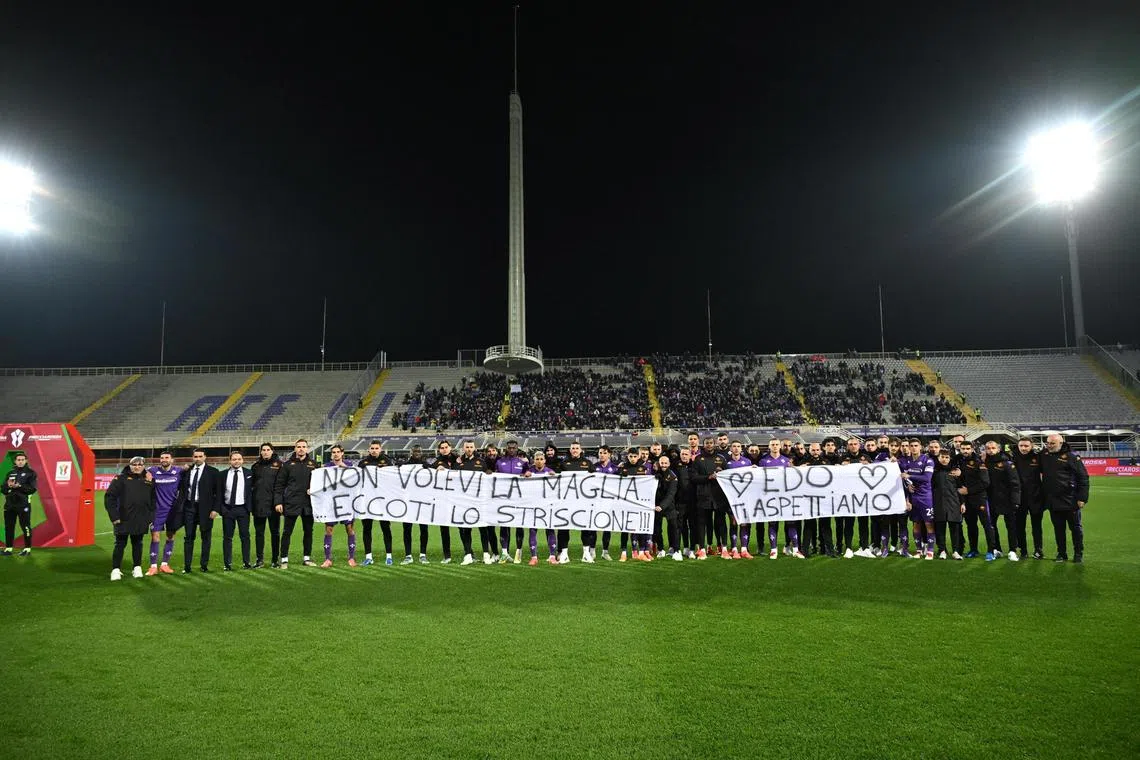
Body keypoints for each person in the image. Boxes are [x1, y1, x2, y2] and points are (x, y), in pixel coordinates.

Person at [1040, 434, 1089, 563]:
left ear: (1061, 443)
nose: (1049, 446)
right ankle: (1061, 553)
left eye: (1052, 443)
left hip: (1070, 500)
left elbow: (1083, 478)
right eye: (1048, 443)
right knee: (1058, 529)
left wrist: (1082, 498)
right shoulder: (1044, 455)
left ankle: (1078, 553)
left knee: (1076, 528)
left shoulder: (1072, 457)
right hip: (1053, 500)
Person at [104, 456, 155, 580]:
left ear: (143, 466)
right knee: (120, 544)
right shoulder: (120, 479)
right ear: (130, 465)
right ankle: (116, 570)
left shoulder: (149, 479)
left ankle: (137, 568)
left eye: (139, 464)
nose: (137, 467)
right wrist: (114, 516)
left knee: (138, 543)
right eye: (134, 464)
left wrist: (150, 517)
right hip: (122, 518)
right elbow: (109, 497)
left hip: (141, 518)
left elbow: (153, 500)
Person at [274, 439, 318, 568]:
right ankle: (284, 559)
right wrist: (278, 502)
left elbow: (320, 484)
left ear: (307, 448)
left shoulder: (314, 464)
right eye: (299, 446)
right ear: (295, 448)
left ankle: (307, 558)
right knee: (287, 532)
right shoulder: (287, 465)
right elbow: (279, 485)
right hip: (291, 503)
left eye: (303, 446)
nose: (301, 449)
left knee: (308, 531)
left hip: (308, 504)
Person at [455, 440, 501, 563]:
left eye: (471, 447)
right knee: (466, 528)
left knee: (483, 527)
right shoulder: (458, 462)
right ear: (463, 448)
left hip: (479, 500)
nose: (469, 449)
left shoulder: (481, 462)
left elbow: (488, 478)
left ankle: (486, 554)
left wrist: (489, 473)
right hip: (464, 501)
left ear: (474, 448)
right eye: (467, 447)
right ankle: (468, 555)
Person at [177, 448, 222, 573]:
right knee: (189, 537)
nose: (197, 459)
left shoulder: (213, 472)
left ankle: (204, 566)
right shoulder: (187, 471)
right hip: (189, 507)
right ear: (193, 457)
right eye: (195, 456)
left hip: (206, 509)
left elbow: (218, 493)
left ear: (205, 457)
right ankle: (187, 567)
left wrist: (215, 509)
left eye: (200, 456)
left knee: (206, 538)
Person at [357, 441, 398, 565]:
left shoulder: (387, 462)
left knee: (385, 528)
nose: (374, 450)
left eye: (376, 448)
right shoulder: (362, 463)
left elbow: (393, 480)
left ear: (381, 449)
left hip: (382, 500)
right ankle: (368, 557)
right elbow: (356, 480)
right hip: (367, 500)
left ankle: (389, 556)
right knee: (367, 528)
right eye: (372, 448)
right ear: (369, 450)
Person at [760, 439, 801, 559]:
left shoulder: (786, 461)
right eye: (772, 444)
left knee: (791, 522)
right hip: (771, 497)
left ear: (780, 446)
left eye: (777, 444)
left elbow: (793, 478)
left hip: (785, 496)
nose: (775, 446)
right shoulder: (763, 461)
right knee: (773, 523)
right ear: (769, 446)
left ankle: (796, 549)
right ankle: (774, 549)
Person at [957, 440, 997, 561]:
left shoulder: (980, 462)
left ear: (972, 449)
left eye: (967, 449)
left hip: (980, 499)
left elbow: (985, 482)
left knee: (987, 525)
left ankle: (991, 551)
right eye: (963, 449)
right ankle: (973, 549)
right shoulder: (958, 461)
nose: (965, 451)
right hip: (967, 500)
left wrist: (968, 490)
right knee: (971, 526)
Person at [983, 440, 1022, 561]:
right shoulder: (984, 463)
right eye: (988, 448)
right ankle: (997, 549)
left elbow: (1015, 484)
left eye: (993, 448)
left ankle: (1012, 551)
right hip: (990, 500)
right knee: (992, 526)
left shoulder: (1007, 463)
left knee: (1011, 526)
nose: (991, 450)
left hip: (1007, 500)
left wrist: (1016, 501)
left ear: (998, 449)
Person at [145, 451, 183, 574]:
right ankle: (153, 566)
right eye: (162, 458)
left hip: (172, 510)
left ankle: (165, 564)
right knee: (155, 536)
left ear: (172, 460)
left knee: (170, 536)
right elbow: (137, 471)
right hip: (157, 511)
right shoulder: (152, 471)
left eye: (167, 457)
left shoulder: (178, 471)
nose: (164, 459)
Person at [319, 445, 357, 568]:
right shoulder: (326, 467)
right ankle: (327, 559)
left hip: (346, 502)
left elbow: (356, 478)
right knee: (329, 530)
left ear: (342, 453)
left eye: (337, 452)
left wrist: (344, 468)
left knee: (349, 529)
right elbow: (319, 481)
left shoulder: (349, 465)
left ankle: (351, 558)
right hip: (331, 503)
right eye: (333, 452)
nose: (335, 454)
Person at [898, 438, 936, 560]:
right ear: (908, 447)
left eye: (916, 445)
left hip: (926, 497)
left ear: (920, 447)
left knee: (929, 523)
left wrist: (910, 476)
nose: (913, 447)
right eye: (911, 446)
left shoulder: (928, 460)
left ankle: (930, 551)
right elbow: (904, 480)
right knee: (916, 524)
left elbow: (927, 478)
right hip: (913, 497)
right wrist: (908, 487)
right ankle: (919, 550)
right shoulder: (906, 462)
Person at [1011, 437, 1046, 560]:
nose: (1023, 448)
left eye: (1026, 446)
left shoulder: (1038, 458)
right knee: (1020, 526)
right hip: (1019, 499)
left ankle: (1038, 550)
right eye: (1021, 446)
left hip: (1036, 498)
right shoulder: (1013, 458)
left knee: (1037, 526)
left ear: (1032, 446)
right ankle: (1023, 550)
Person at [559, 441, 595, 562]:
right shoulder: (563, 463)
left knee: (585, 527)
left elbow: (596, 480)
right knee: (564, 527)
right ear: (570, 450)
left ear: (581, 450)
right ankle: (564, 554)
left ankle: (586, 553)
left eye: (577, 448)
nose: (574, 450)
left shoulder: (588, 463)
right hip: (567, 501)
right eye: (573, 448)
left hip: (583, 501)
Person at [495, 440, 529, 563]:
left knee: (519, 525)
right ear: (506, 448)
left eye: (514, 448)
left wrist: (528, 474)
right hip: (503, 499)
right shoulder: (499, 462)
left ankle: (518, 552)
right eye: (509, 448)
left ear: (517, 448)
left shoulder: (523, 463)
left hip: (519, 499)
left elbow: (528, 476)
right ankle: (504, 553)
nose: (511, 450)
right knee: (504, 525)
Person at [690, 438, 724, 560]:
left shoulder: (721, 459)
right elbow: (693, 478)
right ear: (703, 445)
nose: (709, 445)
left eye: (711, 443)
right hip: (702, 496)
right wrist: (708, 477)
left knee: (720, 523)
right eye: (707, 443)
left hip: (718, 497)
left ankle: (722, 548)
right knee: (702, 524)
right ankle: (702, 549)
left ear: (714, 444)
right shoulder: (698, 459)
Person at [219, 451, 253, 571]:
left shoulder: (249, 473)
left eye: (239, 459)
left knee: (245, 536)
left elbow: (252, 492)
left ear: (243, 460)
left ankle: (247, 562)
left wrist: (249, 508)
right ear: (230, 461)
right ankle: (227, 564)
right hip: (228, 509)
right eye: (234, 459)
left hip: (243, 509)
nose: (236, 461)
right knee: (227, 538)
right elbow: (218, 493)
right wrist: (222, 509)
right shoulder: (222, 474)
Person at [523, 451, 559, 565]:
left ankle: (552, 556)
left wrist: (555, 477)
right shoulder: (529, 471)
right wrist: (525, 476)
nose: (539, 461)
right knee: (533, 531)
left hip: (547, 506)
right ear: (534, 460)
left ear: (545, 460)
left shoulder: (549, 472)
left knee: (550, 529)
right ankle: (534, 557)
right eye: (537, 459)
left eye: (541, 459)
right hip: (533, 506)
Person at [250, 443, 282, 568]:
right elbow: (251, 486)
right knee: (259, 533)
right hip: (259, 505)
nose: (265, 452)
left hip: (274, 506)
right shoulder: (256, 466)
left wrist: (279, 502)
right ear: (261, 452)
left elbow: (281, 485)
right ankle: (259, 560)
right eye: (263, 450)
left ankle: (275, 560)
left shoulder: (279, 465)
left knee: (275, 533)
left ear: (272, 451)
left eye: (268, 450)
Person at [618, 447, 652, 561]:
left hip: (639, 503)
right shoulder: (622, 468)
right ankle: (623, 552)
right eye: (630, 456)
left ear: (638, 456)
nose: (633, 459)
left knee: (639, 527)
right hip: (625, 503)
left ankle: (641, 551)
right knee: (624, 529)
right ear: (627, 456)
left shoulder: (643, 468)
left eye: (635, 456)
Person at [2, 452, 37, 556]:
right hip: (9, 505)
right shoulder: (10, 473)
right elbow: (3, 489)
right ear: (15, 461)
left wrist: (19, 486)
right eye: (18, 460)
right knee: (9, 527)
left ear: (26, 461)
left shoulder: (31, 473)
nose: (20, 461)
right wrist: (9, 487)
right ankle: (8, 548)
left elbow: (32, 489)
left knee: (25, 526)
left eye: (22, 459)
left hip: (23, 505)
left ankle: (27, 549)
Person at [932, 450, 965, 559]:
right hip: (938, 503)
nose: (944, 459)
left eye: (947, 457)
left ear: (950, 458)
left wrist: (962, 503)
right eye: (942, 457)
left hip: (954, 503)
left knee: (954, 528)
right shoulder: (934, 471)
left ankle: (955, 551)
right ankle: (942, 550)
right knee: (940, 528)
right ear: (938, 458)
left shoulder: (955, 472)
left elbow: (960, 488)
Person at [724, 441, 754, 559]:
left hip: (745, 498)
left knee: (745, 523)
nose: (736, 449)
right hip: (732, 498)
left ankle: (744, 549)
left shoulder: (747, 462)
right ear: (731, 449)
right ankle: (734, 548)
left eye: (738, 446)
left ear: (741, 449)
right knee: (734, 522)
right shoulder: (727, 462)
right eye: (734, 447)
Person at [653, 455, 681, 560]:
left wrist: (662, 506)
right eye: (662, 463)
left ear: (669, 464)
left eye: (665, 463)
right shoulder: (655, 475)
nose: (663, 465)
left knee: (673, 528)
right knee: (657, 529)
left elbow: (671, 494)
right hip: (656, 507)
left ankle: (676, 550)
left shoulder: (673, 476)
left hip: (669, 506)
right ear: (659, 464)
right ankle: (661, 549)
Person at [595, 446, 619, 560]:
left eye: (604, 453)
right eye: (600, 453)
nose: (602, 455)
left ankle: (605, 551)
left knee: (607, 527)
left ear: (609, 454)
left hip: (610, 502)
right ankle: (592, 550)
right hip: (595, 501)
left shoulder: (615, 469)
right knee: (592, 526)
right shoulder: (593, 468)